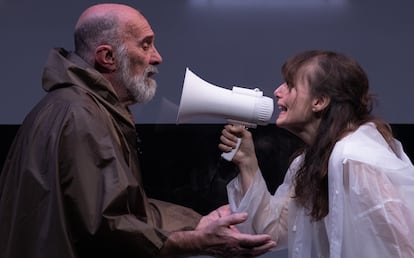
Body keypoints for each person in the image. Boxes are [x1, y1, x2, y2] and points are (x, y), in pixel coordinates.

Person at [0, 3, 277, 258]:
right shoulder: (82, 116)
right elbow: (107, 226)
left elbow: (125, 207)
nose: (157, 57)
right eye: (145, 46)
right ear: (107, 57)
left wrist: (195, 222)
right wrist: (199, 240)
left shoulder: (69, 107)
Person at [219, 50, 414, 257]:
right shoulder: (309, 161)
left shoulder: (354, 157)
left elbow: (402, 246)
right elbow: (272, 232)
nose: (277, 91)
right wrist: (247, 161)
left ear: (319, 101)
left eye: (290, 85)